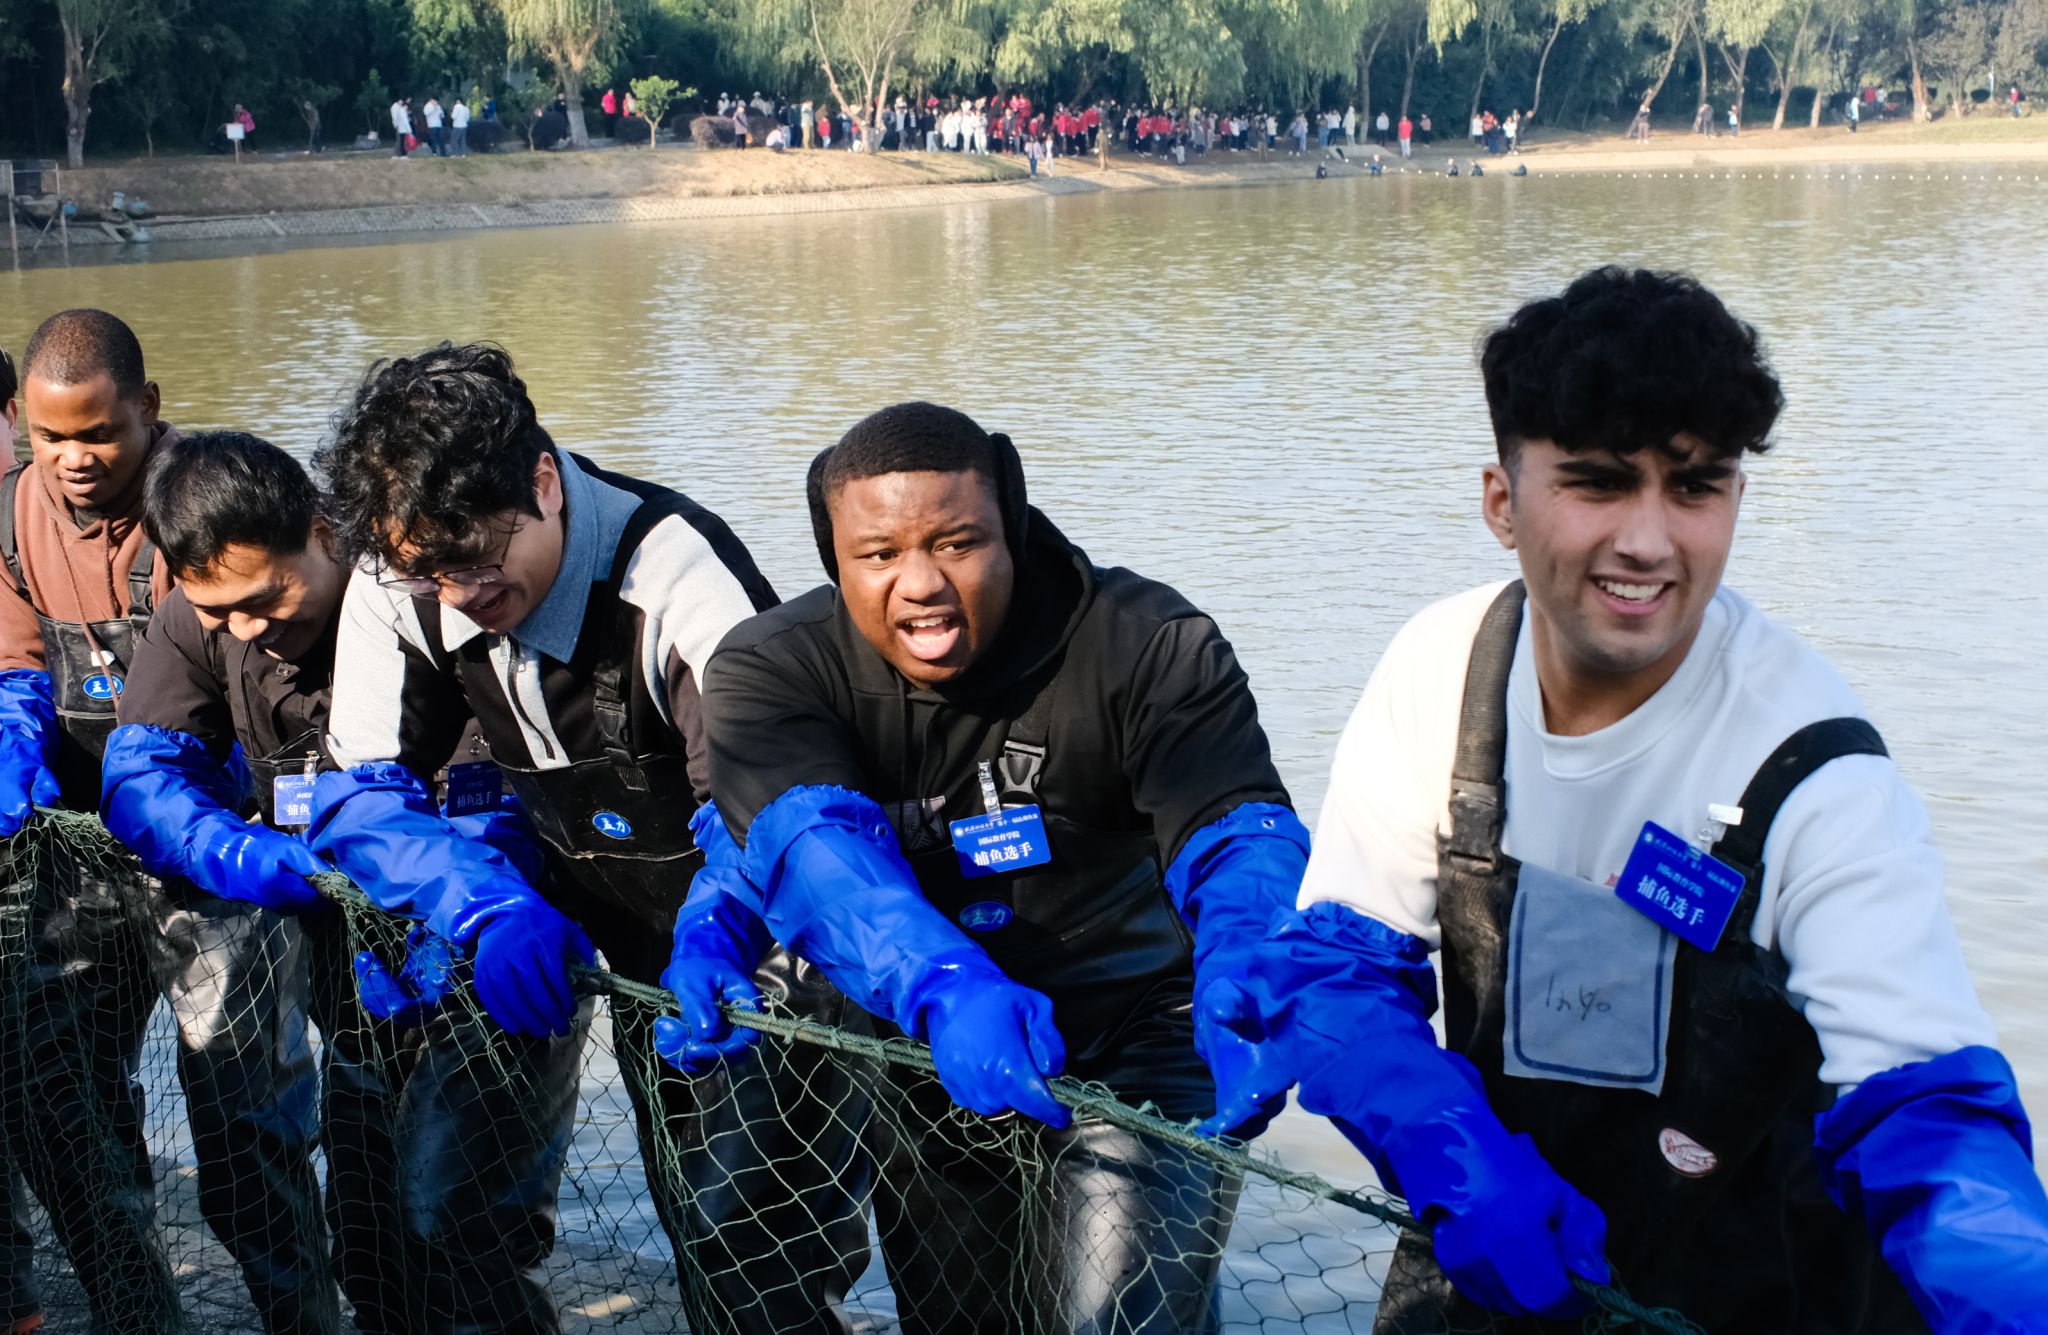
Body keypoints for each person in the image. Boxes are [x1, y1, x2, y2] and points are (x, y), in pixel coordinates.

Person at [1207, 267, 2048, 1333]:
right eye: (1599, 482)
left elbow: (1926, 1122)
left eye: (1695, 486)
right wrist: (1444, 1151)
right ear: (1501, 501)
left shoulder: (1818, 772)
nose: (1648, 541)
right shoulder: (1439, 668)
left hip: (1763, 1295)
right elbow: (1341, 968)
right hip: (1493, 1250)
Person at [677, 401, 1309, 1332]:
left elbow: (1236, 831)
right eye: (879, 554)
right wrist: (941, 986)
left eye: (957, 542)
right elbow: (811, 852)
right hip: (930, 1045)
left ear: (1009, 521)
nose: (920, 583)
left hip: (1141, 1032)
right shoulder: (772, 667)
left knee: (1121, 1320)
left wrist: (1250, 960)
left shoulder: (1149, 640)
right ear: (834, 555)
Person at [310, 343, 871, 1334]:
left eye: (476, 556)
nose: (457, 593)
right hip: (550, 907)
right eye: (428, 572)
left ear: (543, 482)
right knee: (442, 1213)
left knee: (743, 1244)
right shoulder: (399, 574)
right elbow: (363, 796)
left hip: (748, 922)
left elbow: (772, 808)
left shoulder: (675, 569)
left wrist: (715, 931)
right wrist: (482, 904)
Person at [101, 430, 560, 1334]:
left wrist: (460, 902)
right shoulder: (198, 619)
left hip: (487, 954)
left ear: (324, 530)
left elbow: (505, 793)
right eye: (220, 610)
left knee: (464, 1236)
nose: (247, 628)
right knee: (370, 1236)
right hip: (346, 970)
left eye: (265, 598)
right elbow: (141, 774)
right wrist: (234, 851)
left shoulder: (429, 590)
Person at [0, 311, 334, 1334]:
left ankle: (302, 1319)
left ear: (149, 409)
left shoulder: (212, 501)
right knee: (64, 1099)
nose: (74, 459)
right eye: (52, 437)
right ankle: (137, 1312)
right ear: (21, 422)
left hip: (216, 861)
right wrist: (15, 732)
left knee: (245, 1126)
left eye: (99, 433)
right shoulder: (11, 513)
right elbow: (16, 661)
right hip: (78, 851)